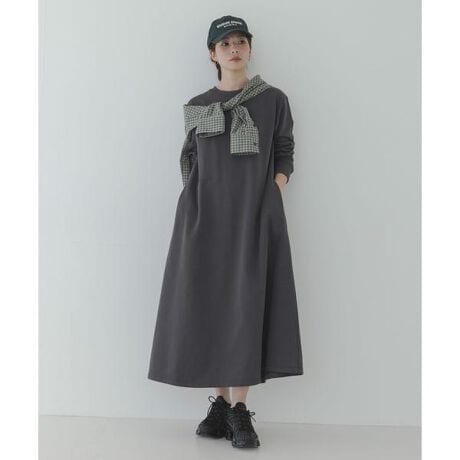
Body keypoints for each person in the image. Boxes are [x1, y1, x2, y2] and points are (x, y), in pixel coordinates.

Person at [147, 15, 304, 449]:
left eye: (240, 41)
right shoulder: (198, 104)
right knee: (208, 304)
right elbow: (190, 159)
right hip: (203, 219)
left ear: (249, 48)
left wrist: (272, 192)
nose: (234, 49)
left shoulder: (273, 100)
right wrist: (194, 206)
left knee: (245, 305)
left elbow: (285, 150)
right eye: (225, 43)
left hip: (254, 216)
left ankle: (238, 409)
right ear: (212, 54)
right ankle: (218, 405)